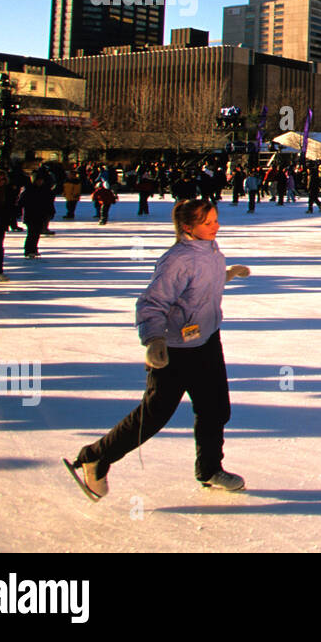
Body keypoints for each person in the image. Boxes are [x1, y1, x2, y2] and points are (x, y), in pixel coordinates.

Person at [66, 199, 251, 500]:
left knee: (215, 409)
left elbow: (198, 286)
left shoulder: (211, 251)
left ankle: (209, 469)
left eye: (216, 219)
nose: (216, 226)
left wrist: (227, 274)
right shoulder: (176, 259)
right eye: (208, 223)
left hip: (206, 341)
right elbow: (152, 303)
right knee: (154, 414)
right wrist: (154, 340)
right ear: (188, 228)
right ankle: (95, 456)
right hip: (175, 349)